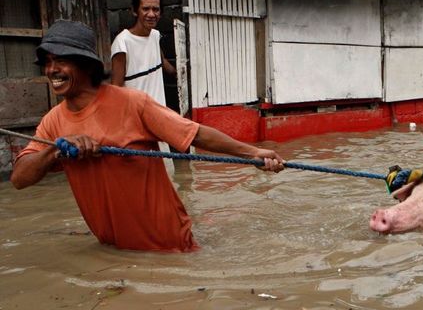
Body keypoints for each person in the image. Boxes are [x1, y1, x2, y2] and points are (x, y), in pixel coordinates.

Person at [10, 20, 284, 253]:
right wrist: (56, 150)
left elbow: (194, 133)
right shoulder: (53, 122)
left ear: (85, 65)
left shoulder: (132, 103)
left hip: (170, 248)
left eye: (60, 61)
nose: (51, 70)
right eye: (47, 62)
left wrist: (254, 153)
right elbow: (20, 179)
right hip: (113, 252)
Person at [111, 0, 176, 173]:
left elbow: (162, 61)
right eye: (145, 9)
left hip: (160, 119)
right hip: (136, 124)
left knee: (167, 174)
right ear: (134, 11)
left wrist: (178, 73)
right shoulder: (122, 42)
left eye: (155, 9)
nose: (151, 14)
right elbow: (116, 88)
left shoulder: (155, 36)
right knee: (141, 174)